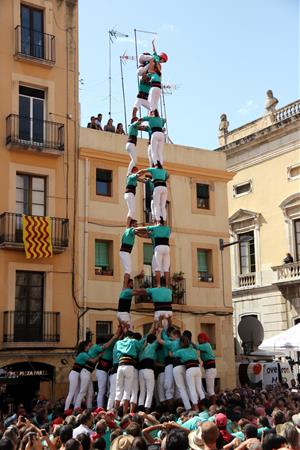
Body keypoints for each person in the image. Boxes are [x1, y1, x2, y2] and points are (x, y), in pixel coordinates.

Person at [74, 332, 119, 410]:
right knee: (83, 392)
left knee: (91, 392)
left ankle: (89, 408)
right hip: (87, 372)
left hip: (88, 373)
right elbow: (94, 359)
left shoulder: (92, 349)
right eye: (89, 343)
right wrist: (100, 355)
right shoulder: (96, 347)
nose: (91, 344)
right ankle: (77, 408)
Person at [172, 335, 205, 411]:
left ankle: (196, 408)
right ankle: (204, 406)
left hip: (189, 370)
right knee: (199, 388)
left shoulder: (180, 351)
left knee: (192, 389)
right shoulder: (193, 350)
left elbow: (172, 354)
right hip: (197, 369)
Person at [114, 330, 142, 415]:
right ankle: (125, 414)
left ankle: (115, 414)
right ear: (132, 336)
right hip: (129, 365)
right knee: (127, 391)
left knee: (118, 390)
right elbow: (141, 347)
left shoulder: (119, 342)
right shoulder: (133, 341)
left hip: (120, 365)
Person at [64, 341, 92, 411]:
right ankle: (66, 409)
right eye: (88, 346)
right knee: (71, 393)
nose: (89, 348)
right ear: (84, 347)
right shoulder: (83, 354)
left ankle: (74, 409)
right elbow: (92, 359)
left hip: (76, 374)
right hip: (75, 374)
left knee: (75, 392)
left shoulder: (81, 354)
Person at [138, 324, 158, 412]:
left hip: (140, 370)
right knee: (150, 390)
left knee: (142, 390)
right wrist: (159, 330)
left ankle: (140, 408)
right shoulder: (152, 346)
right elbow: (159, 340)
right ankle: (147, 409)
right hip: (148, 369)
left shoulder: (142, 348)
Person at [194, 332, 217, 403]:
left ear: (204, 339)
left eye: (199, 338)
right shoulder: (205, 345)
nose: (198, 340)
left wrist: (189, 342)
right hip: (209, 369)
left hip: (210, 369)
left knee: (210, 390)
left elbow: (196, 347)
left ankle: (214, 405)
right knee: (209, 389)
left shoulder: (206, 345)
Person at [119, 221, 137, 288]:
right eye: (135, 224)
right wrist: (145, 229)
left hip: (125, 252)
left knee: (128, 270)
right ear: (132, 224)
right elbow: (137, 231)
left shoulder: (127, 230)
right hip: (125, 252)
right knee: (128, 270)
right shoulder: (131, 230)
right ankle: (125, 286)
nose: (137, 225)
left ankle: (125, 285)